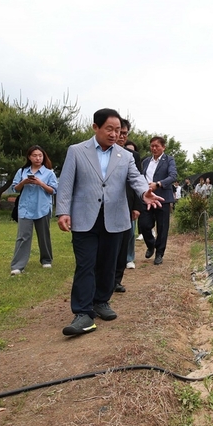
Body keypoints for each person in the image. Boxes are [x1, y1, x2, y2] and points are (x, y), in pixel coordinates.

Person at [56, 108, 163, 336]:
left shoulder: (125, 156)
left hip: (115, 217)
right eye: (109, 129)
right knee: (85, 264)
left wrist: (145, 192)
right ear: (96, 127)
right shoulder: (76, 151)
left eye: (118, 130)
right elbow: (66, 183)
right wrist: (63, 211)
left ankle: (101, 301)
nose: (115, 134)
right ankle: (83, 313)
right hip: (85, 217)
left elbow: (135, 178)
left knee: (108, 263)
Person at [9, 145, 58, 276]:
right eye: (35, 155)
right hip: (25, 208)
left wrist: (40, 183)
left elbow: (53, 190)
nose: (38, 158)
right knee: (23, 237)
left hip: (42, 207)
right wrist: (24, 182)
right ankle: (18, 266)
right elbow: (15, 188)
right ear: (29, 157)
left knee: (44, 236)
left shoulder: (49, 173)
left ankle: (46, 259)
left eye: (40, 155)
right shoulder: (22, 171)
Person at [113, 120, 144, 292]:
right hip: (106, 206)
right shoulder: (101, 154)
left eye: (125, 133)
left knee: (124, 241)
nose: (122, 136)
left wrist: (137, 206)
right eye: (120, 132)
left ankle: (117, 279)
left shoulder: (132, 156)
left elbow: (137, 181)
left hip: (127, 204)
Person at [138, 136, 177, 265]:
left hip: (163, 199)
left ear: (163, 147)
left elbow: (173, 176)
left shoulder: (169, 160)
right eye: (152, 146)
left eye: (157, 146)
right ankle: (151, 244)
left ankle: (159, 253)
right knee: (144, 225)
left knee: (162, 227)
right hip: (147, 199)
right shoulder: (146, 161)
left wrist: (158, 184)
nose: (154, 148)